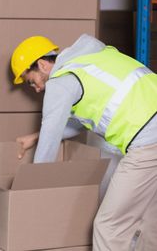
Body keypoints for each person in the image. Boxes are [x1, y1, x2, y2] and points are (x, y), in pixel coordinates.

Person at [11, 34, 157, 250]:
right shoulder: (92, 57)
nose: (36, 89)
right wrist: (35, 136)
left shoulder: (60, 82)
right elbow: (78, 123)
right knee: (149, 219)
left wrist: (33, 189)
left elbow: (49, 142)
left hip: (148, 142)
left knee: (108, 227)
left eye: (31, 81)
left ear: (42, 65)